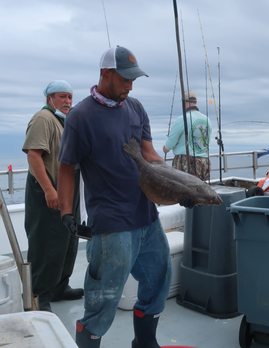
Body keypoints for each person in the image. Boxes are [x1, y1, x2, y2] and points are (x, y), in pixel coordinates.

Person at [57, 46, 171, 348]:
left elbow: (149, 155)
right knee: (103, 299)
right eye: (125, 80)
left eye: (133, 80)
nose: (130, 86)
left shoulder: (135, 108)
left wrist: (180, 184)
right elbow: (67, 167)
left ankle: (145, 343)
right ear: (105, 74)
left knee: (158, 282)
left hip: (146, 216)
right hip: (111, 225)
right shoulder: (80, 116)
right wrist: (66, 212)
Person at [22, 80, 83, 312]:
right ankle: (39, 295)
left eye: (69, 97)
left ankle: (59, 287)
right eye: (61, 97)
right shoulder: (43, 118)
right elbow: (34, 156)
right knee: (46, 243)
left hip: (69, 188)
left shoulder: (64, 121)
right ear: (49, 98)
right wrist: (49, 189)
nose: (67, 101)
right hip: (47, 188)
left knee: (68, 241)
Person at [163, 91, 212, 181]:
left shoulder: (182, 119)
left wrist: (165, 148)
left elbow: (168, 146)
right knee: (201, 191)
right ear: (195, 102)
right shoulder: (207, 120)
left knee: (183, 191)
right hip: (204, 162)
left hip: (185, 162)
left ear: (185, 102)